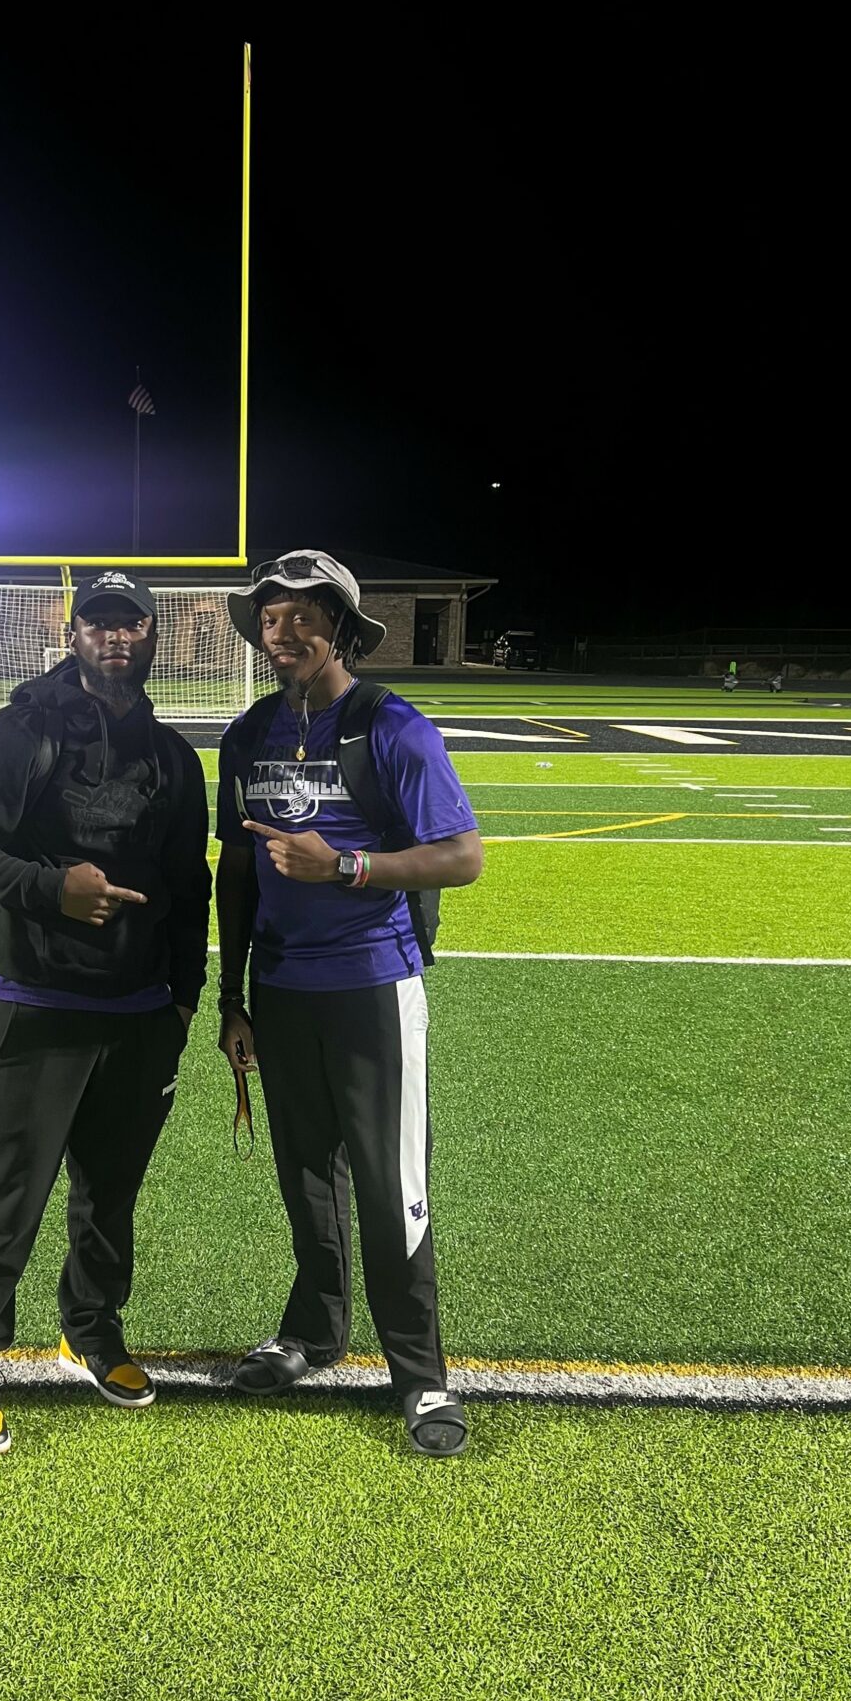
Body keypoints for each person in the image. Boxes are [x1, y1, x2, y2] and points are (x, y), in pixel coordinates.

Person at [0, 574, 209, 1455]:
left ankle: (91, 1327)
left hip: (139, 1014)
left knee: (110, 1197)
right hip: (40, 1005)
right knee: (6, 1191)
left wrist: (184, 1000)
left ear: (153, 634)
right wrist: (54, 889)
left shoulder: (171, 755)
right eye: (99, 622)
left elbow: (190, 886)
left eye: (131, 624)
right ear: (73, 629)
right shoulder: (26, 728)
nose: (115, 637)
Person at [214, 552, 485, 1457]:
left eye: (299, 617)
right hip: (281, 995)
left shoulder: (392, 728)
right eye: (269, 617)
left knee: (390, 1184)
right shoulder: (248, 734)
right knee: (305, 1175)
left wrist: (348, 866)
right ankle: (314, 1334)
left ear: (339, 624)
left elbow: (461, 857)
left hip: (373, 986)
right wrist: (233, 995)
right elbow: (238, 875)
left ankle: (420, 1376)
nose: (279, 634)